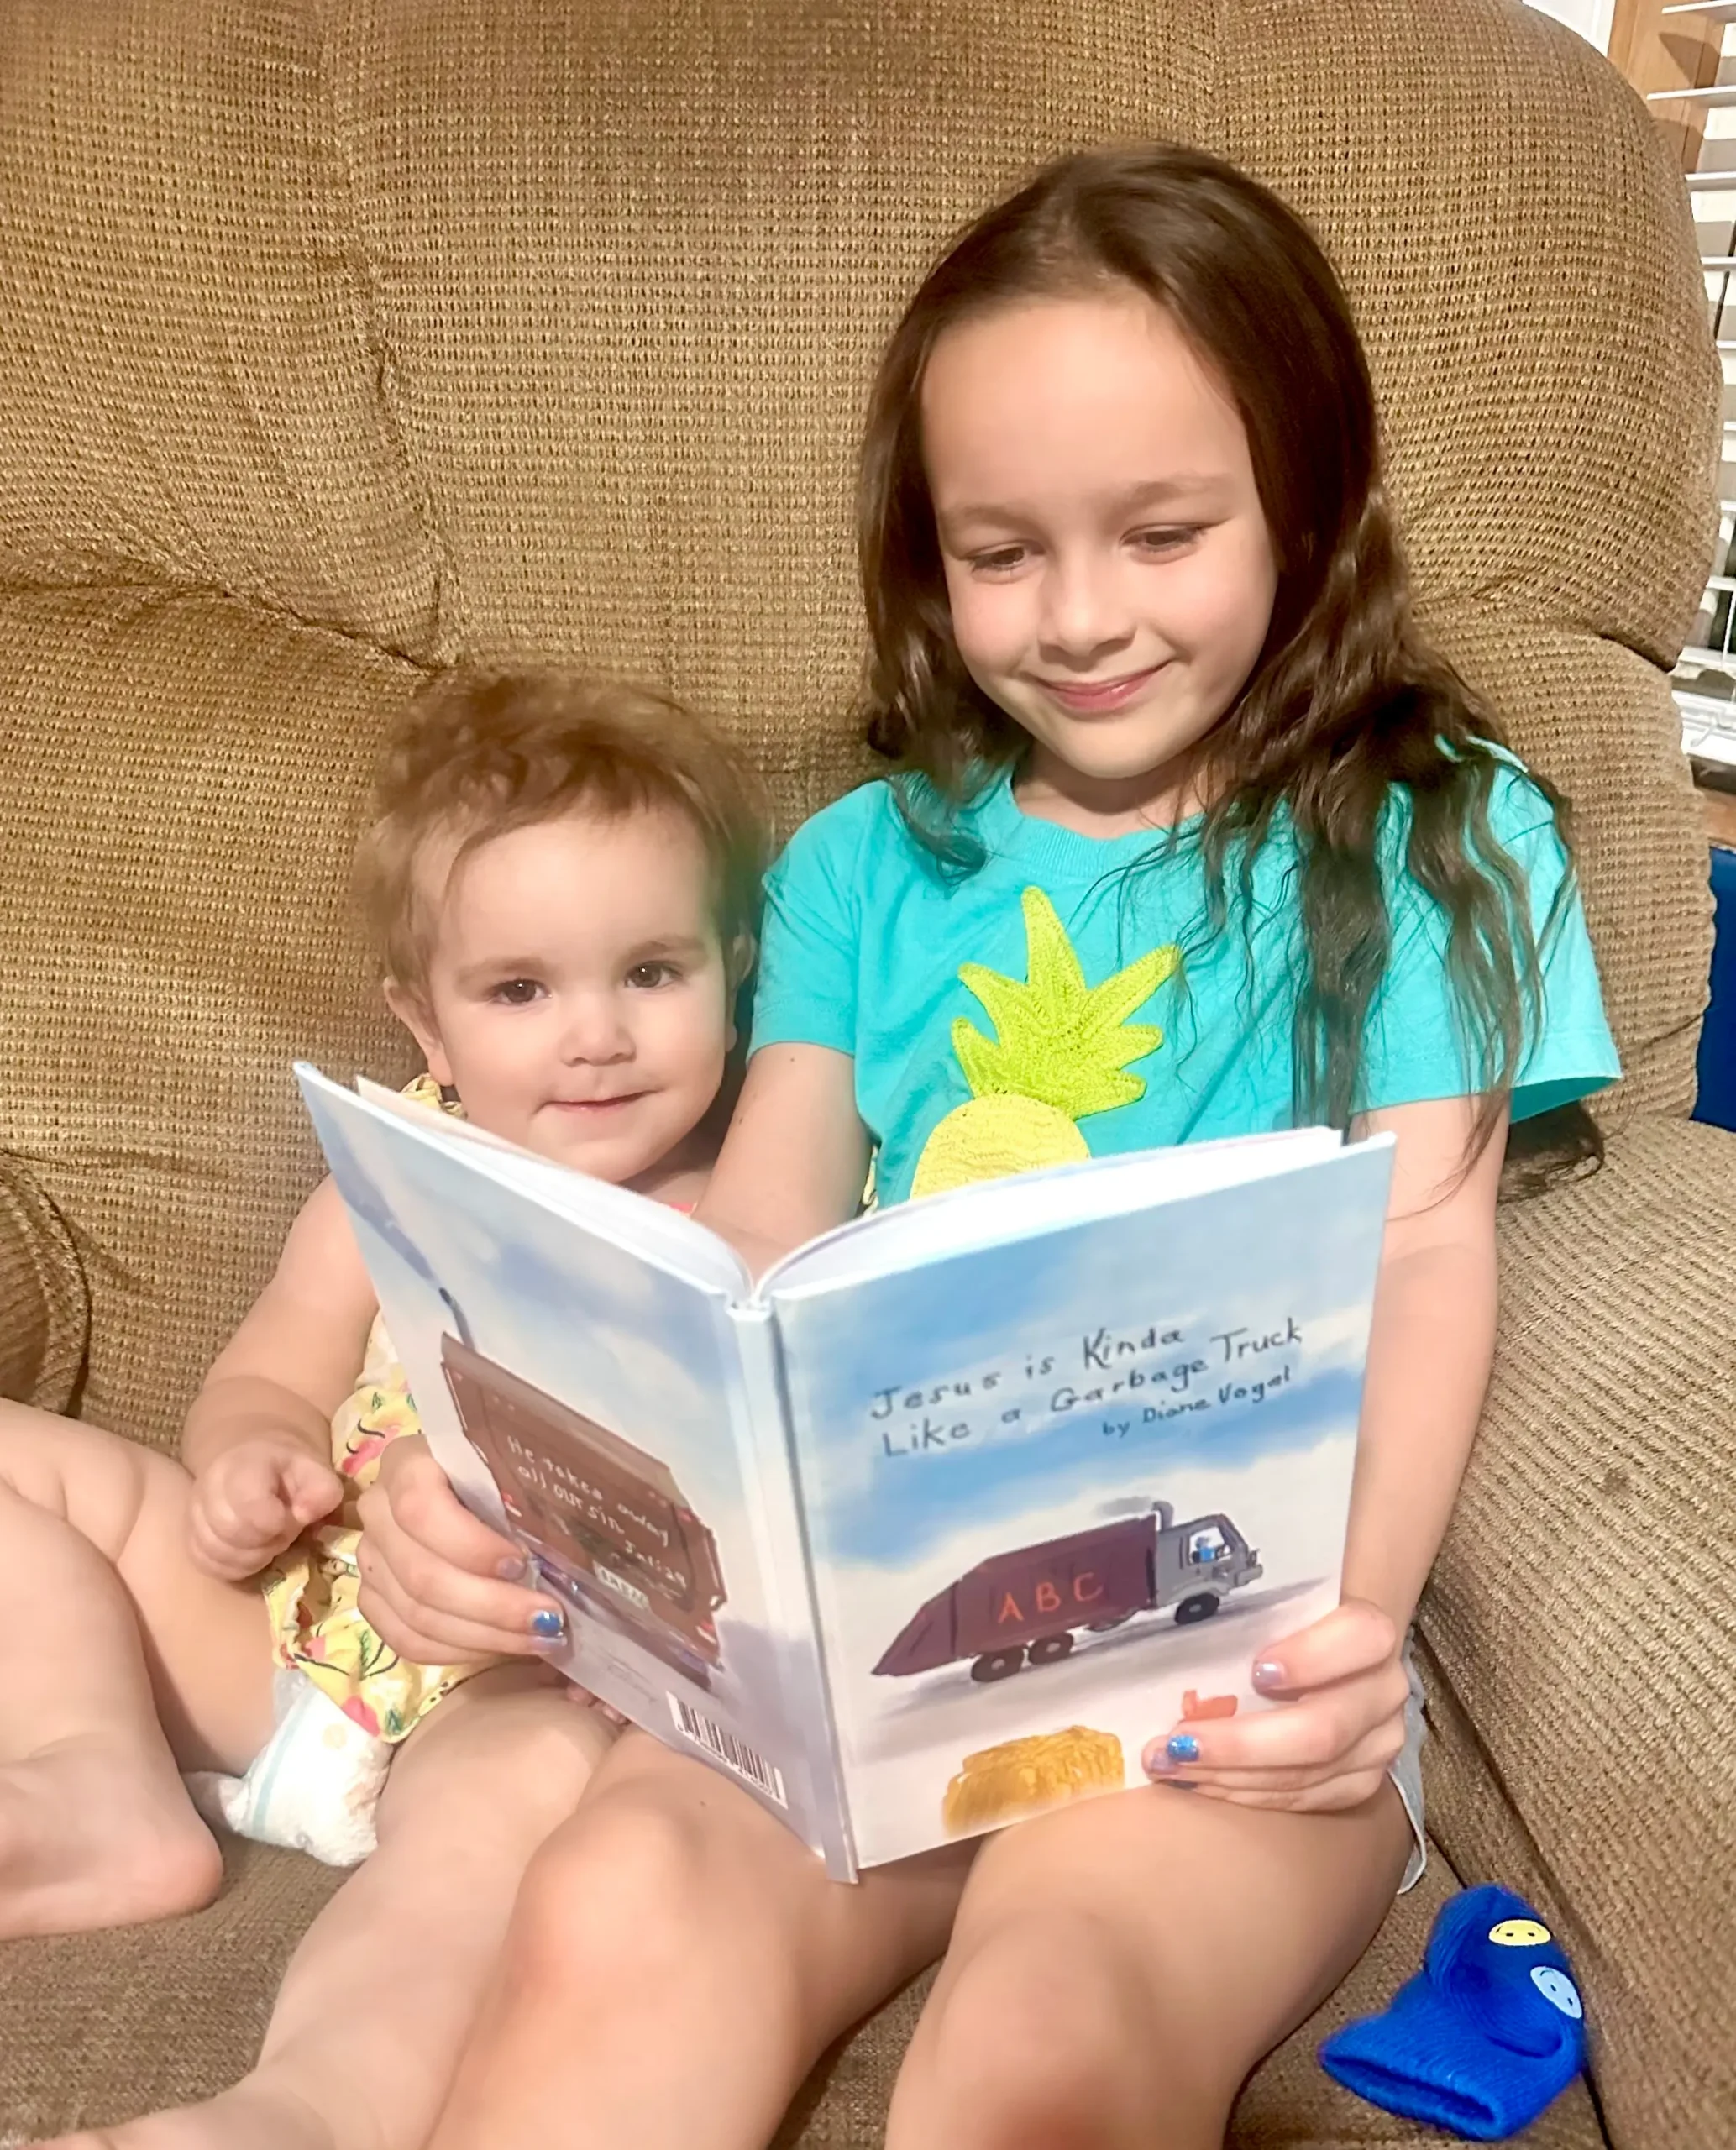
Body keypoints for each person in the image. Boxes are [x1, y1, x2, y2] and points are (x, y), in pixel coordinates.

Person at [367, 147, 1619, 2150]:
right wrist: (516, 1500)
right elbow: (754, 1241)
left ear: (1304, 506)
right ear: (923, 557)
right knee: (619, 1890)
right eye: (1001, 551)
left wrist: (1349, 1634)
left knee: (1049, 2024)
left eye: (1162, 532)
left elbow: (1421, 1248)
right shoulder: (859, 863)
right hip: (871, 1674)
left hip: (1220, 1668)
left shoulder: (1438, 834)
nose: (1082, 616)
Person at [8, 664, 768, 2150]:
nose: (595, 1036)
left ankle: (299, 2114)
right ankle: (89, 1777)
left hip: (501, 1698)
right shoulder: (388, 1177)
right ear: (425, 1024)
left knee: (489, 1848)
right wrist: (249, 1454)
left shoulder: (746, 1216)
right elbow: (270, 1366)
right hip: (277, 1626)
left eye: (650, 974)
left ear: (733, 974)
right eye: (520, 991)